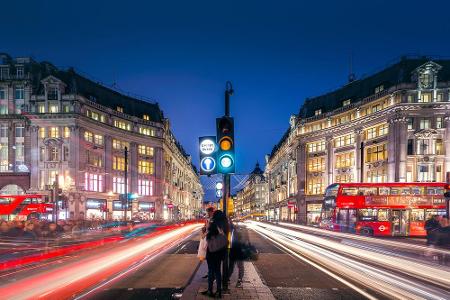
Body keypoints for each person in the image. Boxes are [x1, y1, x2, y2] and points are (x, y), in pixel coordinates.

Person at [201, 222, 227, 298]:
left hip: (210, 256)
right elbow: (225, 240)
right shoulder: (220, 235)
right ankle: (218, 291)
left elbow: (203, 242)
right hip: (218, 256)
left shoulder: (208, 235)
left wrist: (205, 232)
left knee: (210, 272)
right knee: (218, 273)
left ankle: (210, 290)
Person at [228, 220, 246, 287]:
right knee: (235, 265)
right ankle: (238, 280)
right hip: (235, 250)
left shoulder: (236, 230)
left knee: (235, 265)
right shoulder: (233, 229)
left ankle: (238, 280)